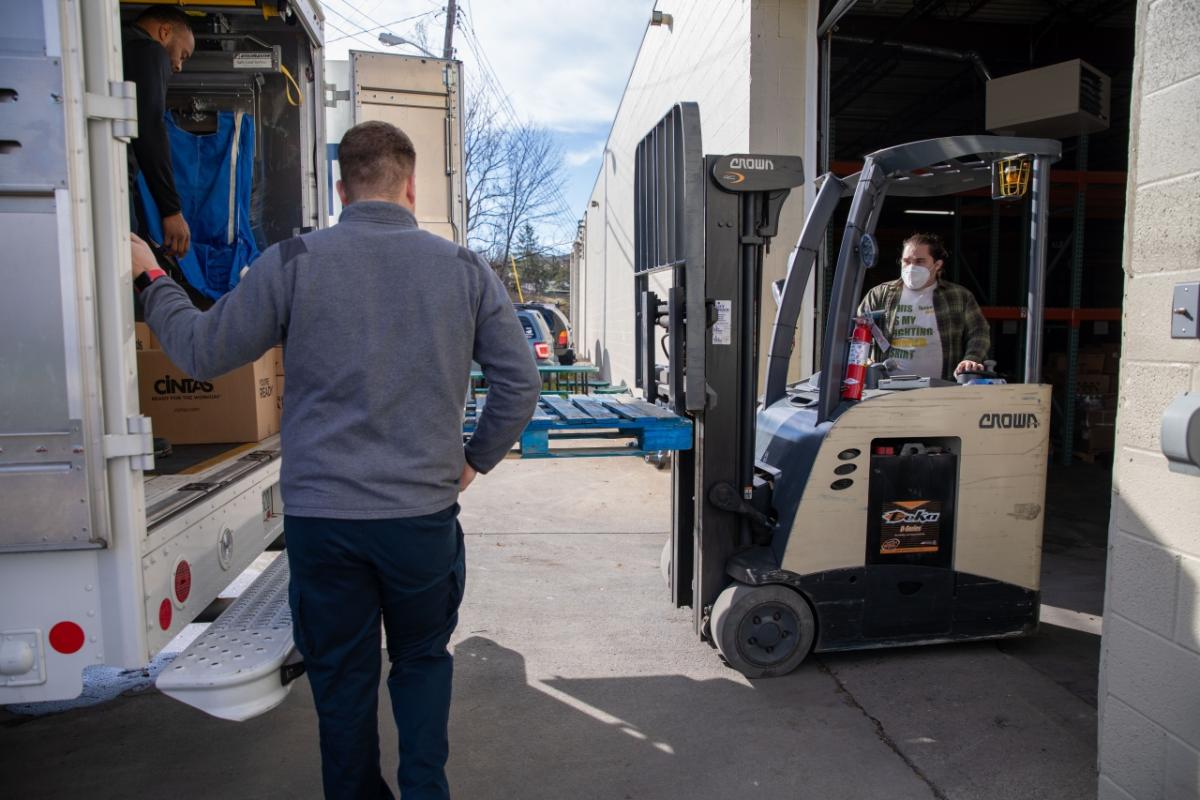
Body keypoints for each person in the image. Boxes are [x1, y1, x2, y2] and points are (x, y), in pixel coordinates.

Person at [132, 120, 542, 799]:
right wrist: (475, 460)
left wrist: (151, 277)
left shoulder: (294, 263)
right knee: (420, 660)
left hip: (325, 525)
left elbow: (203, 352)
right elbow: (520, 382)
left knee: (342, 678)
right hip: (420, 519)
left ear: (342, 187)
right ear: (409, 185)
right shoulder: (465, 270)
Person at [857, 232, 990, 380]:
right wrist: (864, 361)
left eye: (920, 261)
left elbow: (979, 332)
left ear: (937, 265)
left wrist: (971, 358)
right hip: (886, 389)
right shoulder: (879, 295)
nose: (911, 267)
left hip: (943, 389)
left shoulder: (959, 296)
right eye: (906, 261)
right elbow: (856, 332)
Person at [124, 6, 194, 257]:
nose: (178, 66)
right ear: (165, 32)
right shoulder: (149, 51)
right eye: (183, 55)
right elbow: (151, 127)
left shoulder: (120, 45)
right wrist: (171, 210)